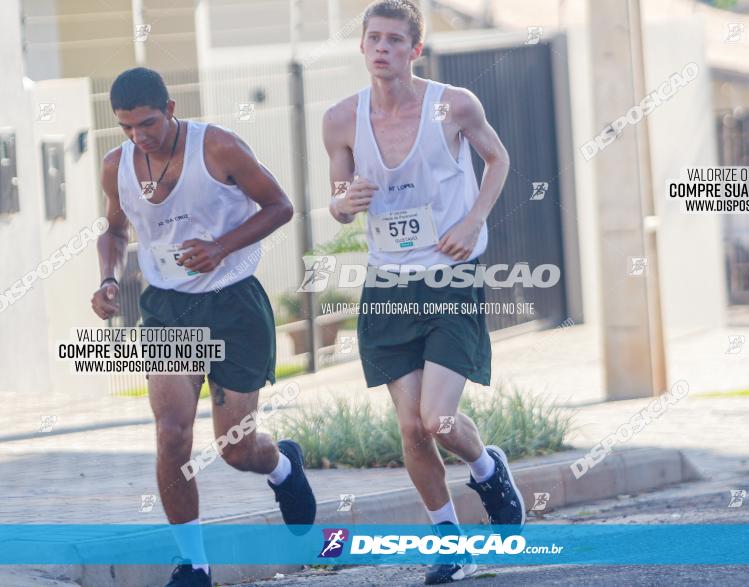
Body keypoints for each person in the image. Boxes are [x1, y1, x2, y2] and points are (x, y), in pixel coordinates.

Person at [321, 1, 524, 583]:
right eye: (372, 39)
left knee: (437, 420)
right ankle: (448, 542)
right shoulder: (340, 120)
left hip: (450, 276)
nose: (381, 48)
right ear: (361, 47)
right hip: (388, 285)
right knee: (410, 428)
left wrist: (473, 222)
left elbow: (498, 158)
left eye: (393, 40)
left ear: (415, 50)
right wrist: (343, 203)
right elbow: (336, 201)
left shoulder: (454, 105)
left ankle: (487, 468)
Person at [91, 67, 316, 587]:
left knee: (236, 449)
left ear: (170, 108)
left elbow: (280, 206)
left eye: (147, 123)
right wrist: (107, 278)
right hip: (168, 310)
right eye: (126, 128)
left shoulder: (217, 147)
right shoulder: (115, 166)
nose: (138, 136)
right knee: (172, 436)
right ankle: (193, 564)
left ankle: (281, 465)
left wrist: (221, 247)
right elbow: (114, 229)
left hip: (234, 305)